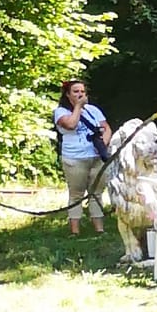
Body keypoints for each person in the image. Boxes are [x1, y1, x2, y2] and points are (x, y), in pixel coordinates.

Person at [53, 78, 111, 236]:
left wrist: (102, 144)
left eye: (82, 92)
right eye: (76, 91)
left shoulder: (93, 110)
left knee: (96, 192)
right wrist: (78, 107)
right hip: (75, 159)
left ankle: (99, 229)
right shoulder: (61, 112)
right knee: (76, 194)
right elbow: (71, 124)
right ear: (68, 95)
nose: (80, 94)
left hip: (96, 157)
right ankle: (75, 231)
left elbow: (106, 128)